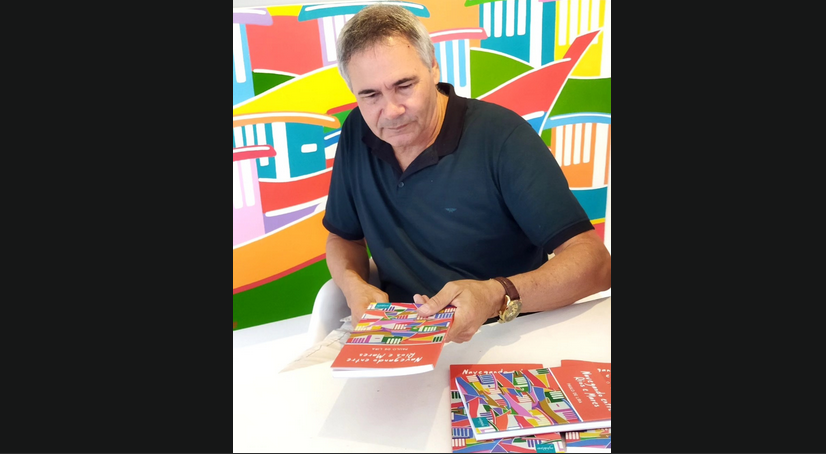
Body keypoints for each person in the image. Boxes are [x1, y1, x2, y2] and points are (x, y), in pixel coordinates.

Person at [322, 3, 611, 344]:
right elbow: (344, 238)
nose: (392, 111)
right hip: (401, 336)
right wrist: (353, 285)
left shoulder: (501, 136)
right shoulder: (357, 130)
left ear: (433, 67)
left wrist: (496, 295)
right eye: (370, 95)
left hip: (504, 334)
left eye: (404, 85)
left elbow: (596, 264)